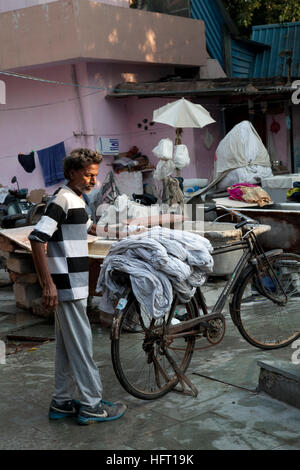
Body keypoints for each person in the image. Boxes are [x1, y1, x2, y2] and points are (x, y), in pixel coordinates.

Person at [29, 148, 127, 425]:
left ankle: (61, 402)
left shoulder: (77, 201)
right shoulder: (61, 200)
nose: (92, 180)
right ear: (72, 173)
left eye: (95, 175)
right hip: (66, 285)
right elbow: (38, 239)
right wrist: (47, 284)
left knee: (66, 347)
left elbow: (89, 228)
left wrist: (125, 231)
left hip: (74, 285)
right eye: (87, 174)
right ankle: (92, 405)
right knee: (82, 346)